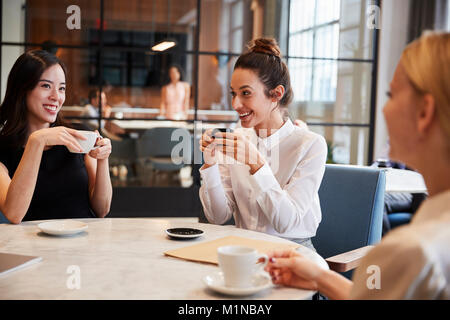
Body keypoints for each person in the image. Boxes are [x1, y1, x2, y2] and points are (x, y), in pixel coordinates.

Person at [264, 32, 450, 299]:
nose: (384, 110)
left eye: (391, 94)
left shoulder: (413, 253)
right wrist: (320, 277)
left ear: (424, 113)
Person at [199, 38, 328, 249]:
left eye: (246, 93)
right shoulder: (238, 139)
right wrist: (210, 164)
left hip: (293, 252)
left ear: (276, 94)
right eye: (233, 93)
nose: (235, 104)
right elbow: (217, 217)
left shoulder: (311, 145)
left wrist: (256, 164)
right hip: (244, 250)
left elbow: (286, 222)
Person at [0, 50, 113, 224]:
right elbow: (14, 214)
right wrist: (37, 142)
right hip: (33, 247)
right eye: (46, 86)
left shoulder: (79, 134)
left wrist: (103, 160)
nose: (56, 97)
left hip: (85, 243)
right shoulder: (3, 147)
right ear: (22, 89)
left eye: (61, 88)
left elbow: (102, 209)